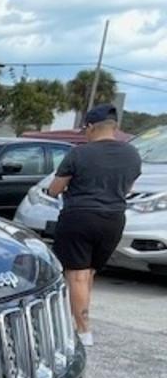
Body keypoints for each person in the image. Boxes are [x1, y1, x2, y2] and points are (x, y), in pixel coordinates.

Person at [47, 104, 141, 347]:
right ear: (115, 127)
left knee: (76, 275)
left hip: (79, 217)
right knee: (89, 273)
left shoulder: (79, 153)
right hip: (114, 220)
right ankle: (81, 317)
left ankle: (82, 330)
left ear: (90, 127)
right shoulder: (132, 154)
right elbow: (128, 188)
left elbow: (55, 189)